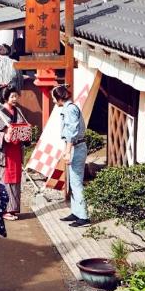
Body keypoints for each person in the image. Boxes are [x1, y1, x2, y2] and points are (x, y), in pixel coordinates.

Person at [0, 87, 28, 220]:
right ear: (5, 97)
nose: (15, 99)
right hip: (4, 151)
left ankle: (12, 209)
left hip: (16, 150)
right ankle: (4, 210)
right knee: (5, 181)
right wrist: (3, 136)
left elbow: (24, 126)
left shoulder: (18, 111)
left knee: (15, 181)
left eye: (16, 96)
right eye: (12, 96)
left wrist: (25, 133)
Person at [54, 85, 91, 228]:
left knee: (76, 183)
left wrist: (68, 151)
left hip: (76, 147)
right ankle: (76, 212)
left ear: (59, 98)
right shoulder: (70, 108)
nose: (53, 101)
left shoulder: (70, 110)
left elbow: (71, 131)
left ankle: (84, 217)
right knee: (73, 181)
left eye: (53, 98)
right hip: (75, 147)